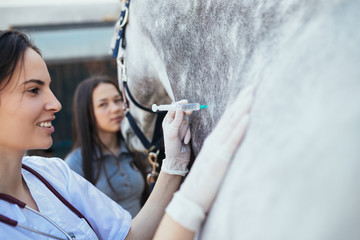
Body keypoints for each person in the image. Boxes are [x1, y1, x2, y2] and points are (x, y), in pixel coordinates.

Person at [0, 29, 254, 240]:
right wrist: (190, 203)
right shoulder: (74, 163)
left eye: (49, 88)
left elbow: (128, 236)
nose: (55, 104)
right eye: (33, 90)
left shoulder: (54, 174)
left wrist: (174, 164)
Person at [65, 76, 148, 218]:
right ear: (87, 113)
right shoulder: (75, 163)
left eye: (117, 100)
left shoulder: (133, 149)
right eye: (103, 104)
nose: (115, 109)